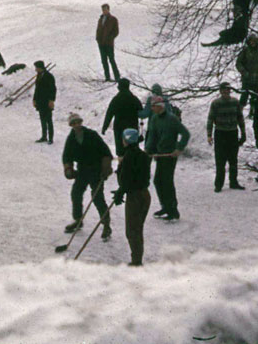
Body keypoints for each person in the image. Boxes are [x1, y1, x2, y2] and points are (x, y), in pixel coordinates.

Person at [61, 113, 113, 240]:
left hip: (96, 171)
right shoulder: (71, 138)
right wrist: (68, 168)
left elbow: (106, 152)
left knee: (97, 198)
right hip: (82, 171)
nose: (77, 125)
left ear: (81, 122)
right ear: (71, 125)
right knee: (76, 193)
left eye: (78, 122)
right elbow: (66, 156)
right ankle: (78, 220)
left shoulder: (92, 135)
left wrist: (106, 167)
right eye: (74, 123)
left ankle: (106, 225)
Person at [144, 94, 191, 221]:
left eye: (153, 107)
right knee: (158, 181)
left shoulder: (172, 119)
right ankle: (165, 206)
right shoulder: (154, 119)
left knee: (167, 181)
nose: (152, 109)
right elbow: (152, 136)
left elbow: (185, 134)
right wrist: (148, 150)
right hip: (159, 155)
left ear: (159, 106)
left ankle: (173, 210)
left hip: (170, 155)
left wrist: (179, 148)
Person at [113, 128, 151, 266]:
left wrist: (120, 191)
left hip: (135, 197)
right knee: (137, 228)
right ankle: (137, 258)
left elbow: (128, 180)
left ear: (126, 140)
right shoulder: (142, 155)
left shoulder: (129, 157)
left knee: (132, 230)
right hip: (144, 195)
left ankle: (136, 261)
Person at [206, 82, 247, 192]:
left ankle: (233, 182)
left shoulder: (235, 102)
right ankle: (218, 184)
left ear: (230, 91)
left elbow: (240, 118)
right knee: (220, 161)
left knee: (233, 160)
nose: (226, 92)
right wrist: (209, 135)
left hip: (232, 133)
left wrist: (243, 133)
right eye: (223, 90)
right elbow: (210, 119)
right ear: (220, 91)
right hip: (220, 133)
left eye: (228, 90)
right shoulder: (215, 103)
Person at [102, 78, 145, 157]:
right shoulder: (134, 99)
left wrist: (105, 126)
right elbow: (141, 112)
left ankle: (121, 166)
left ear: (120, 87)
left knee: (121, 150)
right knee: (133, 148)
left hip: (119, 128)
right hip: (132, 126)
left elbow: (109, 113)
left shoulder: (116, 99)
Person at [234, 34, 258, 107]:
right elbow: (238, 63)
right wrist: (244, 72)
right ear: (248, 42)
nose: (253, 43)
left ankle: (253, 112)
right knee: (244, 97)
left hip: (256, 78)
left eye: (254, 41)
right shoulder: (245, 51)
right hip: (246, 78)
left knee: (255, 97)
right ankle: (240, 112)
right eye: (251, 41)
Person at [33, 60, 57, 143]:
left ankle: (50, 138)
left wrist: (51, 100)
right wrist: (34, 99)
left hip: (47, 101)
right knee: (42, 119)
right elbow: (36, 89)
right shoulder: (39, 76)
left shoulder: (49, 76)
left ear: (40, 68)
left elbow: (53, 89)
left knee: (48, 120)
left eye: (36, 67)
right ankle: (44, 136)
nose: (35, 69)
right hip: (40, 101)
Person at [95, 3, 121, 82]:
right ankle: (107, 77)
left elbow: (116, 31)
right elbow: (98, 30)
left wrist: (110, 38)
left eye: (105, 9)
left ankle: (117, 77)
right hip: (101, 44)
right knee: (104, 61)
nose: (104, 11)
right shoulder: (100, 19)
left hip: (109, 44)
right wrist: (98, 39)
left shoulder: (113, 19)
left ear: (108, 9)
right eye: (103, 10)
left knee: (111, 60)